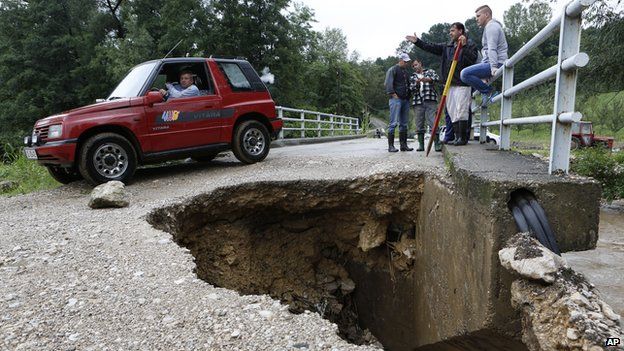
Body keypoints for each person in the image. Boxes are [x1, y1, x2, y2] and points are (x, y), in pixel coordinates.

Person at [406, 22, 478, 146]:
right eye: (450, 31)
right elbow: (431, 47)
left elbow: (472, 60)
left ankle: (463, 138)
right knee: (452, 111)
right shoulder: (447, 46)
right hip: (449, 83)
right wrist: (418, 41)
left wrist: (464, 47)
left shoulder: (470, 44)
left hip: (462, 83)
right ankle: (456, 137)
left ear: (460, 31)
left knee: (461, 110)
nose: (450, 33)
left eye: (452, 31)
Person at [460, 5, 508, 107]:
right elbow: (487, 51)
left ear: (486, 15)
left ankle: (489, 92)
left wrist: (493, 67)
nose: (476, 19)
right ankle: (486, 94)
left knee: (464, 74)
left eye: (478, 16)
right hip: (491, 62)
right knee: (469, 75)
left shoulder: (491, 27)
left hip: (496, 62)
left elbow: (492, 48)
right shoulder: (490, 27)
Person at [409, 59, 442, 152]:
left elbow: (437, 79)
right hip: (418, 101)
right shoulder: (412, 77)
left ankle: (437, 144)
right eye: (413, 66)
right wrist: (416, 84)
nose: (415, 67)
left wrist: (427, 79)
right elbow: (411, 88)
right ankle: (421, 145)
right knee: (419, 123)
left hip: (430, 99)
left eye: (416, 64)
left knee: (432, 121)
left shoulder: (430, 71)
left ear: (420, 63)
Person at [384, 53, 413, 152]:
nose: (406, 63)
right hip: (396, 99)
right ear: (400, 60)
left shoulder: (405, 71)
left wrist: (409, 96)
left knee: (404, 123)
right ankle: (391, 146)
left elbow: (408, 84)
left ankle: (403, 145)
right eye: (405, 61)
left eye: (407, 62)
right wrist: (392, 93)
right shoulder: (393, 69)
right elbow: (388, 82)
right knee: (393, 123)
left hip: (405, 99)